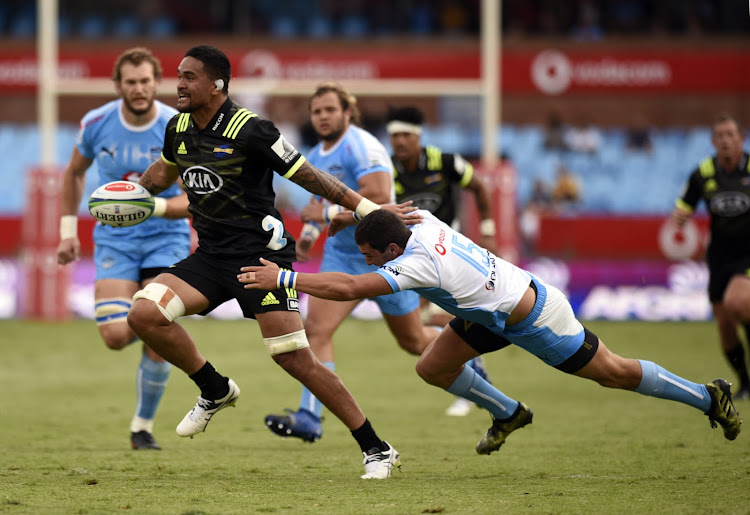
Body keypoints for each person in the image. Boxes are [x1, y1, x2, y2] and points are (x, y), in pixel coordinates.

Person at [240, 208, 742, 453]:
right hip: (491, 312)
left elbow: (349, 286)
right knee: (432, 366)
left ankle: (708, 394)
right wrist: (343, 215)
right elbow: (383, 211)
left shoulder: (416, 266)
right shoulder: (422, 220)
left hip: (536, 319)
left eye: (371, 253)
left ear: (391, 252)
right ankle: (509, 412)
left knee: (612, 373)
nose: (367, 260)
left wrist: (282, 276)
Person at [126, 45, 404, 479]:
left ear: (216, 85)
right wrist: (130, 195)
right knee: (144, 313)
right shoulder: (177, 128)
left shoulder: (252, 130)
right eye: (178, 75)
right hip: (211, 258)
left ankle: (376, 447)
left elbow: (313, 177)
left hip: (262, 259)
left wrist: (370, 210)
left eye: (189, 76)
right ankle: (214, 389)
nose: (178, 83)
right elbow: (160, 175)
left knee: (294, 360)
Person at [263, 83, 481, 440]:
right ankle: (309, 416)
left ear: (348, 112)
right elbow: (320, 213)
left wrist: (328, 212)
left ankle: (468, 357)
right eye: (316, 111)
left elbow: (378, 197)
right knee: (316, 331)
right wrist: (306, 237)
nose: (322, 116)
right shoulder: (315, 155)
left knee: (412, 341)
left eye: (330, 110)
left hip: (386, 253)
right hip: (343, 256)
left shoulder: (362, 145)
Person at [56, 47, 191, 451]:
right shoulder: (96, 123)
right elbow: (74, 173)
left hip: (166, 237)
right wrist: (67, 231)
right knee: (116, 335)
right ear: (118, 86)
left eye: (145, 81)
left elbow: (194, 199)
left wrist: (154, 206)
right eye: (130, 82)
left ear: (156, 83)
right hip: (115, 238)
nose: (138, 89)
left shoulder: (176, 125)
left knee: (157, 334)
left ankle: (142, 427)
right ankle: (157, 324)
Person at [385, 104, 497, 415]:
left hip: (449, 250)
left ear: (418, 136)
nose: (400, 141)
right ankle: (474, 372)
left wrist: (487, 230)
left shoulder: (445, 162)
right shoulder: (388, 170)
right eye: (395, 135)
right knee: (414, 332)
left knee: (439, 317)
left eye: (406, 134)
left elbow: (479, 186)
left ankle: (473, 382)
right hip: (412, 256)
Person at [673, 112, 750, 401]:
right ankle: (745, 383)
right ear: (713, 141)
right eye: (720, 136)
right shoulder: (703, 172)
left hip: (748, 256)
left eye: (731, 134)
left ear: (741, 139)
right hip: (718, 258)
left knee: (738, 302)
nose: (726, 140)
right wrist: (680, 216)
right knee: (726, 326)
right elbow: (684, 206)